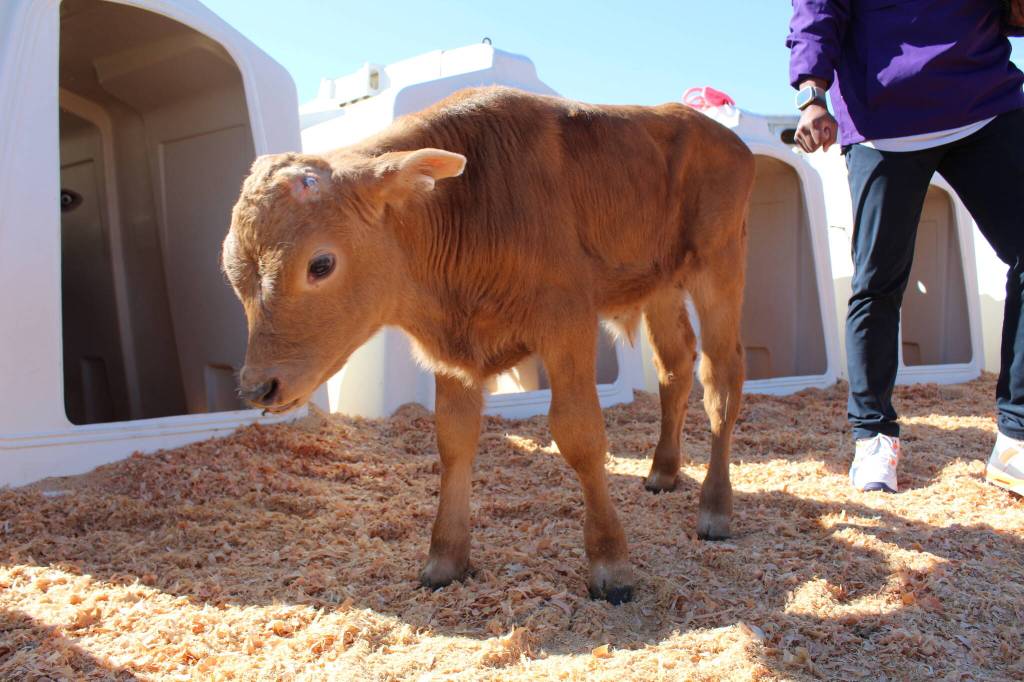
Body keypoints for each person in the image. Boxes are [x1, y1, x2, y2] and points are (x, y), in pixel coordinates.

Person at [786, 0, 1024, 494]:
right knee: (878, 283)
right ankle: (873, 435)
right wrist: (811, 94)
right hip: (884, 122)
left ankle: (1016, 438)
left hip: (984, 99)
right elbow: (817, 9)